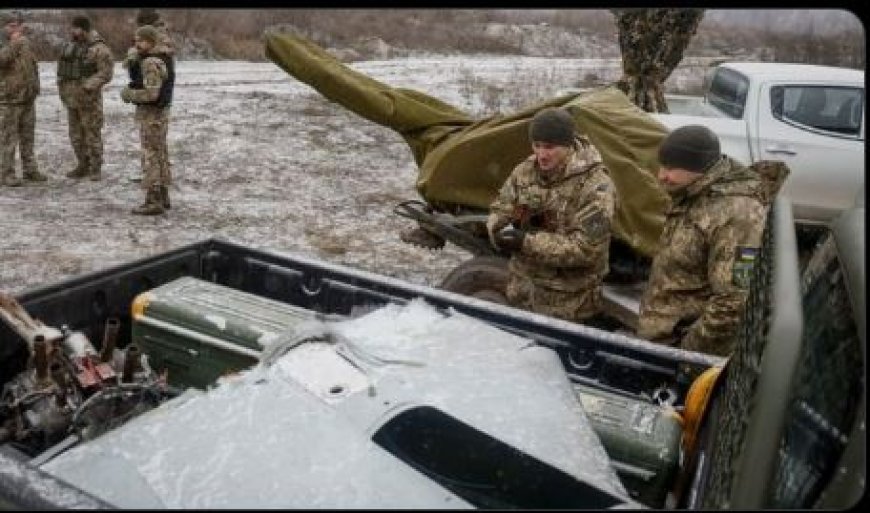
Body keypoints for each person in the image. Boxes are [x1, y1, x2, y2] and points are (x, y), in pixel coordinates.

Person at [636, 125, 769, 356]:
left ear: (700, 168)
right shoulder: (692, 192)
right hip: (661, 335)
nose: (661, 175)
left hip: (683, 349)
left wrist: (688, 353)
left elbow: (733, 303)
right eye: (662, 165)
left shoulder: (739, 217)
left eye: (671, 168)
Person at [486, 108, 616, 326]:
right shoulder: (525, 171)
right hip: (522, 295)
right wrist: (497, 226)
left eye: (549, 147)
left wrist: (525, 242)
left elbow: (586, 249)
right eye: (537, 145)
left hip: (568, 307)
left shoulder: (596, 186)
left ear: (568, 145)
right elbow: (502, 206)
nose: (542, 154)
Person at [120, 25, 174, 215]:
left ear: (151, 42)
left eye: (140, 41)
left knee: (151, 156)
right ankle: (163, 194)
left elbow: (152, 94)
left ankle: (153, 200)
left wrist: (129, 94)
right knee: (159, 154)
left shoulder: (151, 62)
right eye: (136, 41)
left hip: (152, 116)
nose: (137, 44)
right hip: (159, 115)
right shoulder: (160, 58)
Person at [57, 15, 114, 181]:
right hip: (71, 99)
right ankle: (82, 164)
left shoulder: (99, 48)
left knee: (92, 134)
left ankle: (95, 167)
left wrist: (88, 85)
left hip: (89, 100)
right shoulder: (72, 46)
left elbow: (106, 73)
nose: (72, 31)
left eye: (75, 28)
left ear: (83, 29)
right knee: (75, 135)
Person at [0, 11, 45, 187]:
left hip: (27, 97)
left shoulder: (22, 44)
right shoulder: (10, 43)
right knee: (8, 139)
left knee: (28, 136)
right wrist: (15, 43)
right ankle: (6, 173)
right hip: (9, 99)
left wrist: (34, 88)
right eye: (11, 25)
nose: (16, 29)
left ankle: (30, 169)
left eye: (17, 25)